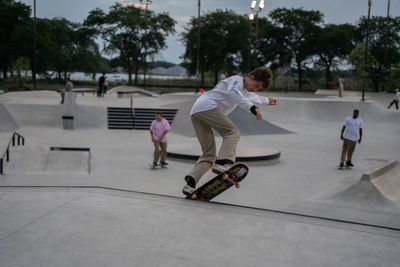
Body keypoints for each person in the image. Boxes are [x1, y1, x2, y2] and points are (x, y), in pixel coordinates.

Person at [182, 66, 277, 196]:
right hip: (208, 106)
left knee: (208, 153)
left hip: (197, 112)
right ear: (251, 77)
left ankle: (190, 184)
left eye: (258, 88)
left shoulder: (245, 89)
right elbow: (234, 92)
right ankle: (220, 163)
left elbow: (252, 95)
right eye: (256, 85)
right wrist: (253, 108)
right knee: (232, 132)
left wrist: (266, 100)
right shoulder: (236, 81)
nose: (255, 89)